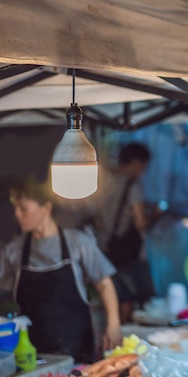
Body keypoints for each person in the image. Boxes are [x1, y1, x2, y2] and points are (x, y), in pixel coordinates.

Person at [0, 175, 122, 363]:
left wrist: (113, 324)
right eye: (14, 208)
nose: (16, 214)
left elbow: (104, 283)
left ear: (46, 208)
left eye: (23, 208)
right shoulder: (13, 251)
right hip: (30, 356)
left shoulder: (78, 243)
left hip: (77, 352)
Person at [90, 142, 154, 324]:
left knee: (115, 293)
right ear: (135, 162)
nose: (143, 170)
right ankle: (127, 336)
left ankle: (115, 333)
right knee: (131, 298)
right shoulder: (134, 186)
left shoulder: (102, 182)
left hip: (105, 247)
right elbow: (140, 223)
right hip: (129, 252)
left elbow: (97, 219)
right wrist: (156, 215)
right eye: (143, 166)